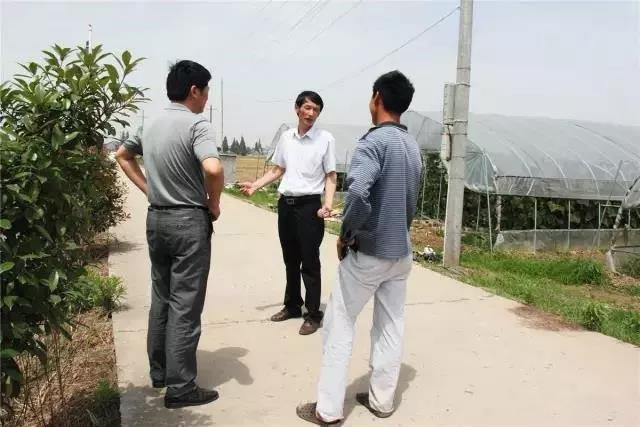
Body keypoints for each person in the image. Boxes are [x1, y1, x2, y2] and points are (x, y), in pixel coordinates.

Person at [295, 71, 422, 425]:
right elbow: (409, 200)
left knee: (339, 324)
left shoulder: (373, 143)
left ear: (377, 98)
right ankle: (383, 401)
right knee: (390, 326)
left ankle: (328, 410)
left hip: (369, 253)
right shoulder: (412, 147)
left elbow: (360, 192)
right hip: (401, 254)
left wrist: (347, 234)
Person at [115, 60, 224, 409]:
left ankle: (159, 372)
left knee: (161, 296)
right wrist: (214, 203)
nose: (207, 99)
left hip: (156, 220)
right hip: (188, 221)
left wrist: (149, 189)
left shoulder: (151, 123)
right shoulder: (197, 125)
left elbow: (122, 154)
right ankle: (181, 388)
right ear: (194, 91)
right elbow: (213, 167)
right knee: (186, 305)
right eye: (206, 92)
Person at [240, 91, 337, 336]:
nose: (311, 113)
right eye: (307, 108)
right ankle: (292, 305)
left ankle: (313, 314)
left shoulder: (326, 139)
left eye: (316, 110)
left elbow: (331, 175)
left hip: (309, 208)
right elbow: (278, 169)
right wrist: (255, 185)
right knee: (290, 259)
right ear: (297, 109)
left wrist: (327, 204)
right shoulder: (287, 138)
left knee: (310, 261)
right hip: (286, 205)